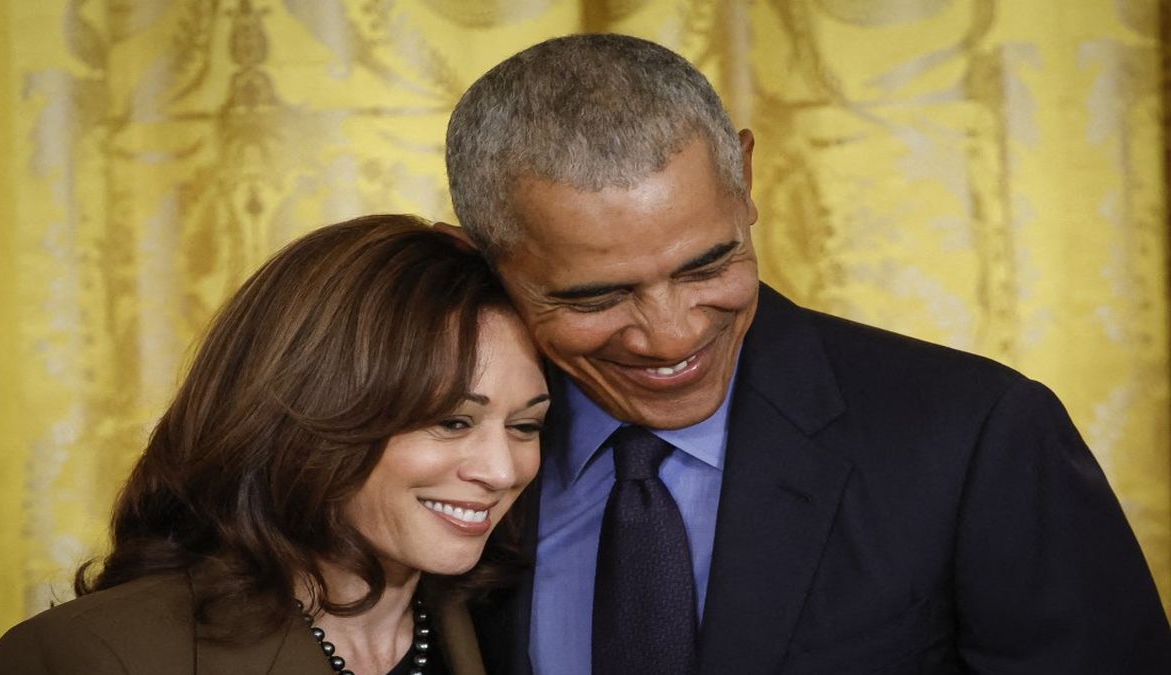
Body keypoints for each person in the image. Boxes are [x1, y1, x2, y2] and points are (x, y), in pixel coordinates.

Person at [444, 34, 1171, 674]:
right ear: (484, 256)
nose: (671, 336)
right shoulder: (428, 451)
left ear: (745, 179)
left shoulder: (978, 436)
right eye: (597, 297)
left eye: (707, 266)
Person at [0, 214, 550, 675]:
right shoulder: (90, 657)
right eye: (453, 422)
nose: (501, 471)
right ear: (315, 413)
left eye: (525, 426)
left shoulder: (516, 637)